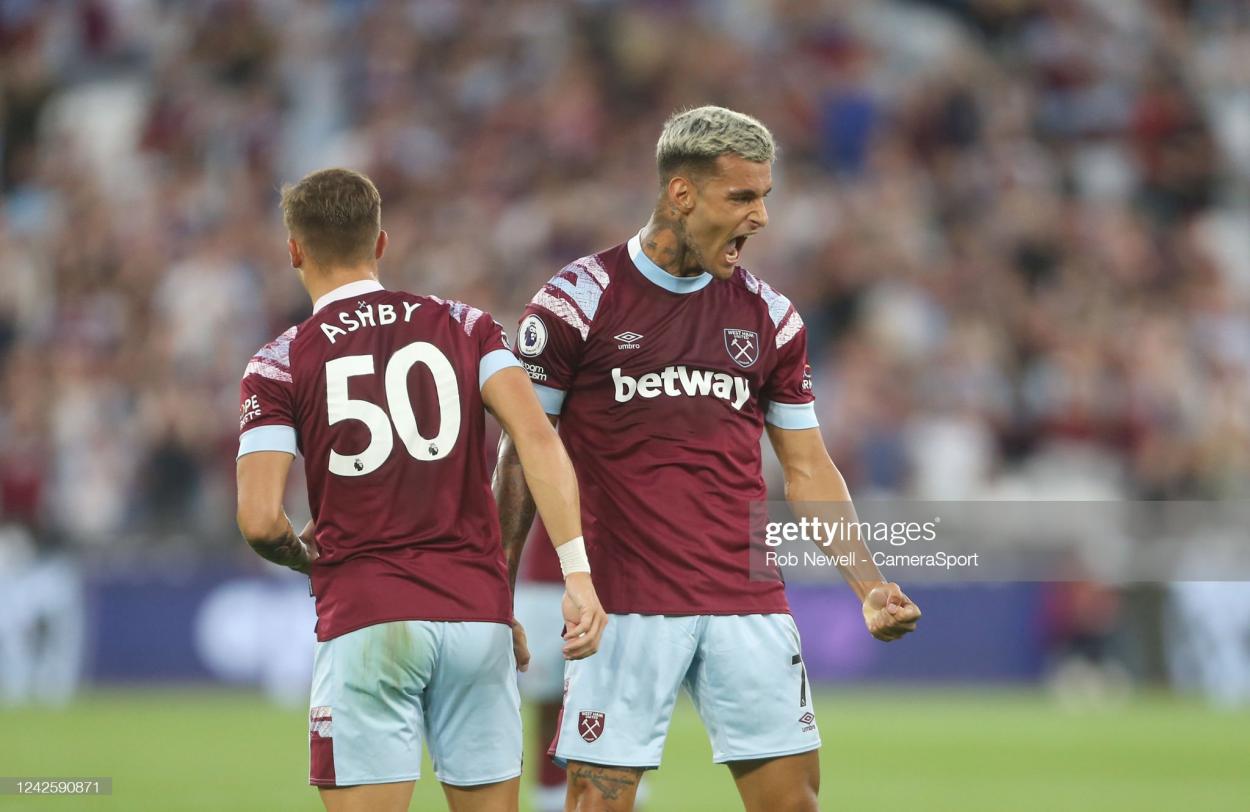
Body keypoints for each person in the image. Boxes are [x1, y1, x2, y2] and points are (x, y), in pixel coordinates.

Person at [493, 106, 921, 812]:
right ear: (681, 194)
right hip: (623, 603)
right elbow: (523, 457)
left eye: (766, 196)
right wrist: (493, 589)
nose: (761, 217)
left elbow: (808, 467)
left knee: (794, 804)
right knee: (598, 801)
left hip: (746, 601)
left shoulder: (770, 317)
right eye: (742, 197)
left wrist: (867, 585)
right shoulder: (577, 302)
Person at [234, 168, 607, 812]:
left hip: (366, 619)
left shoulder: (279, 362)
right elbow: (536, 440)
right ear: (381, 242)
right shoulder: (466, 325)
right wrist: (577, 573)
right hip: (476, 620)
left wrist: (306, 555)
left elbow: (261, 521)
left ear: (293, 250)